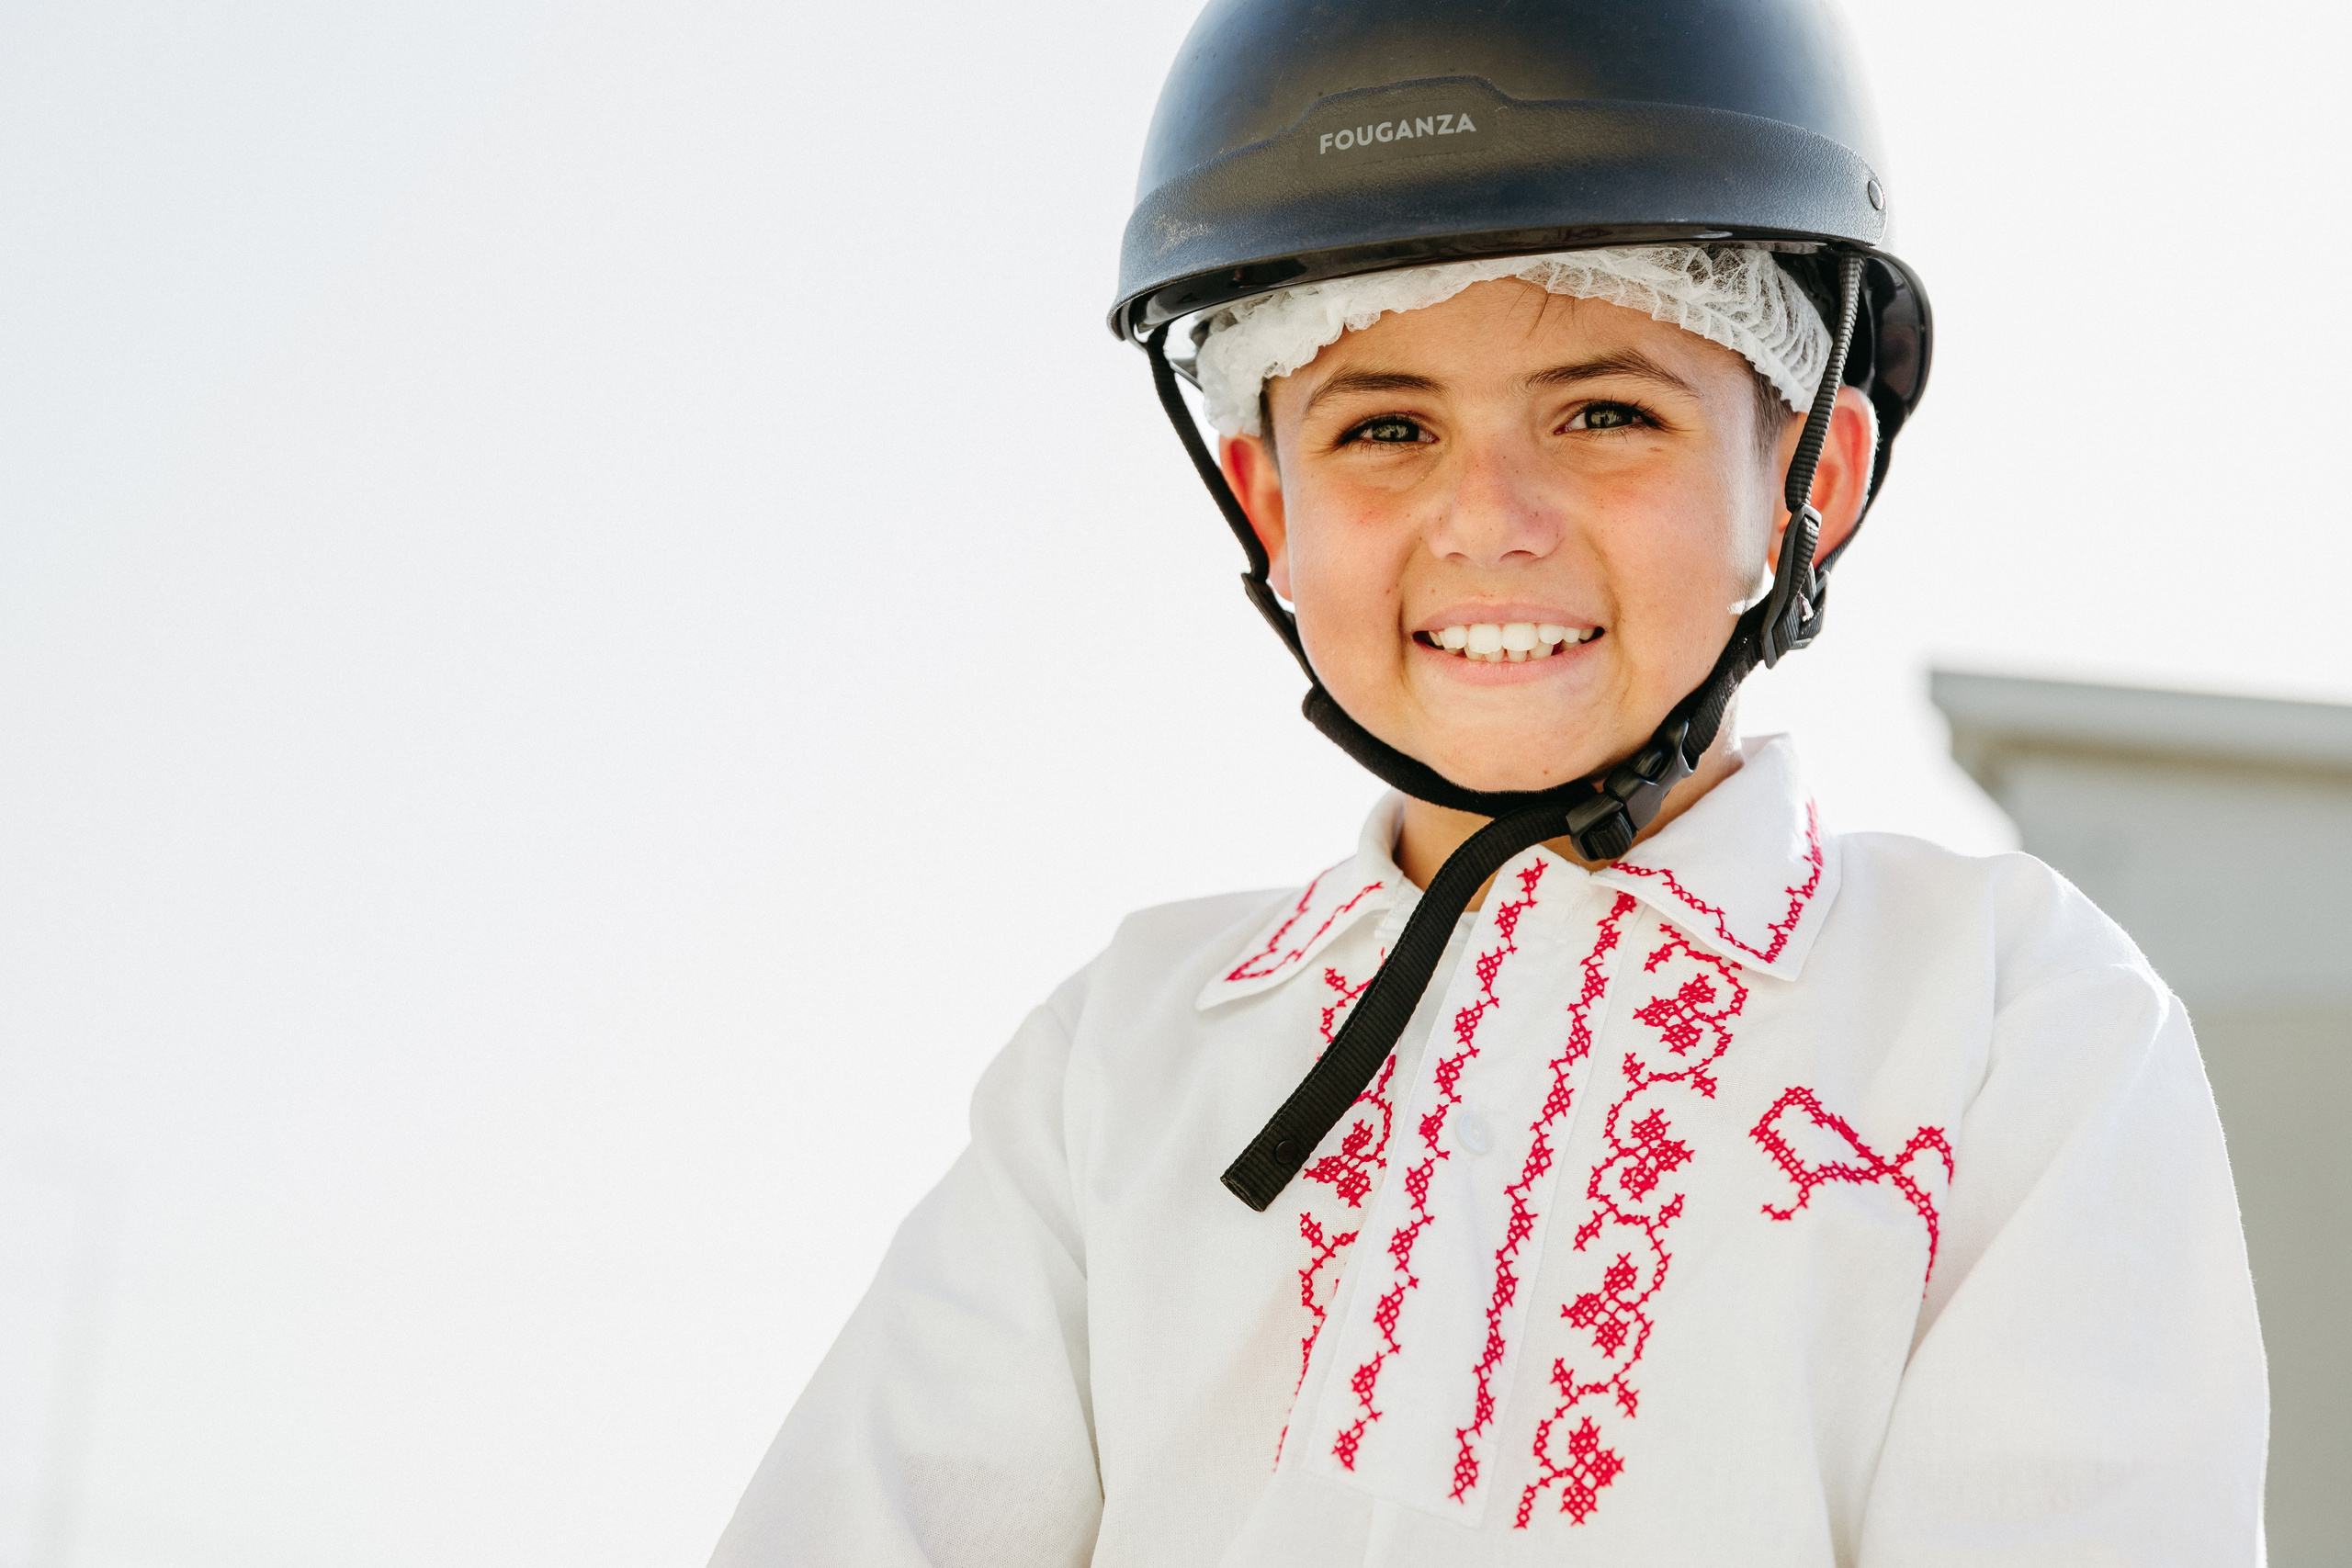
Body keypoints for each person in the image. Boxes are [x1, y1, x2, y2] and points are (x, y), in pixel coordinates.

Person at [711, 2, 2267, 1562]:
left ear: (1813, 482)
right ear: (1269, 505)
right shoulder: (1120, 1059)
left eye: (1607, 414)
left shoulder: (2013, 1014)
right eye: (1384, 427)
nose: (1489, 519)